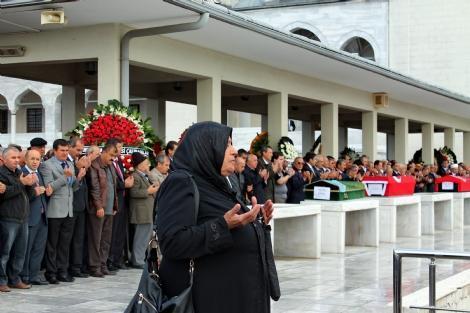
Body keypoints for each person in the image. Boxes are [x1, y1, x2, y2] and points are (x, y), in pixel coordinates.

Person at [156, 121, 276, 313]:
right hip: (206, 299)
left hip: (234, 295)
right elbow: (172, 242)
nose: (234, 151)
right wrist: (223, 226)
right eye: (227, 144)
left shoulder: (218, 184)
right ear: (205, 148)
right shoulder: (181, 182)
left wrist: (256, 221)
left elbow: (227, 221)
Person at [41, 139, 80, 284]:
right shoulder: (46, 165)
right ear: (55, 150)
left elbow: (73, 187)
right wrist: (65, 177)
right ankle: (51, 273)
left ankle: (63, 271)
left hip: (69, 209)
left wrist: (77, 179)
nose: (65, 153)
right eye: (62, 150)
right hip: (55, 210)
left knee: (65, 243)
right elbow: (49, 187)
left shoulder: (70, 164)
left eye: (66, 150)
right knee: (53, 244)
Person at [0, 147, 34, 292]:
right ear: (4, 159)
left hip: (23, 218)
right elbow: (4, 194)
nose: (16, 160)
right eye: (13, 158)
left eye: (18, 157)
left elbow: (29, 195)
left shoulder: (20, 172)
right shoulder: (1, 174)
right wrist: (22, 183)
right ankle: (1, 281)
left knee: (20, 252)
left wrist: (30, 184)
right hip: (8, 218)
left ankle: (15, 279)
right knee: (4, 252)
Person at [20, 150, 52, 286]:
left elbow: (43, 193)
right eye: (32, 159)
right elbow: (20, 196)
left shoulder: (39, 173)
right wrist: (34, 192)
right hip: (29, 217)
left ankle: (34, 275)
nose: (35, 162)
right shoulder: (22, 174)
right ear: (26, 159)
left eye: (37, 159)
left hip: (42, 216)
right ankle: (24, 276)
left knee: (39, 248)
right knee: (27, 249)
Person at [86, 142, 118, 277]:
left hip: (110, 208)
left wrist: (115, 206)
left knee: (106, 239)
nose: (113, 158)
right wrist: (99, 206)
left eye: (114, 156)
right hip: (99, 209)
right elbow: (95, 188)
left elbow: (113, 186)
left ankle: (103, 264)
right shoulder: (94, 165)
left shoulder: (110, 166)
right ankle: (94, 266)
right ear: (103, 152)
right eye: (111, 155)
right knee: (96, 239)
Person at [107, 138, 134, 271]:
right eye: (118, 147)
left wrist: (126, 181)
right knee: (113, 232)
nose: (120, 150)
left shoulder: (120, 162)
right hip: (114, 200)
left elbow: (120, 178)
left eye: (122, 147)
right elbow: (111, 181)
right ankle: (110, 260)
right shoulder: (109, 162)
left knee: (120, 232)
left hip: (122, 200)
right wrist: (125, 184)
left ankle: (118, 259)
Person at [129, 152, 158, 268]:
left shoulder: (144, 175)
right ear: (139, 165)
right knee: (140, 238)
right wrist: (148, 192)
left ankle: (141, 258)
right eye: (145, 163)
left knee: (146, 236)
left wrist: (149, 173)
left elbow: (155, 183)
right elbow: (133, 192)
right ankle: (137, 260)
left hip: (148, 211)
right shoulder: (135, 176)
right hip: (141, 212)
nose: (147, 165)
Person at [68, 137, 91, 278]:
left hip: (81, 206)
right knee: (70, 240)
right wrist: (78, 169)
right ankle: (70, 268)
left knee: (79, 239)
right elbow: (71, 184)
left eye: (81, 150)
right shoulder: (69, 163)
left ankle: (77, 267)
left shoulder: (79, 162)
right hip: (70, 206)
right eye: (77, 150)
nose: (79, 153)